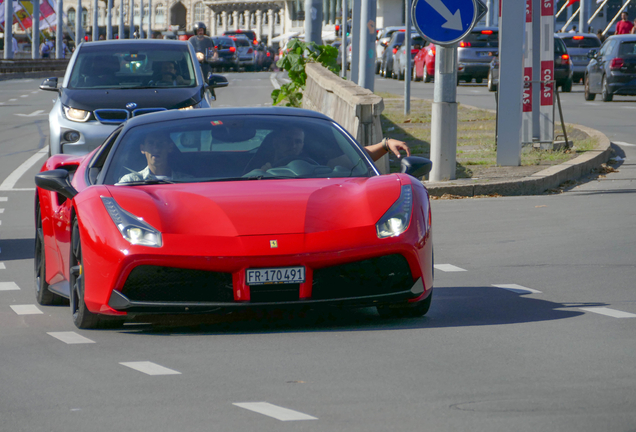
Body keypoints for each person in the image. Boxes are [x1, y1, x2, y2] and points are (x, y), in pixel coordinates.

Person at [259, 127, 410, 171]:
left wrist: (385, 145)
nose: (293, 145)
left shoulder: (320, 165)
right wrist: (261, 172)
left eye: (297, 141)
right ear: (275, 142)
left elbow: (357, 158)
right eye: (287, 140)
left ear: (303, 145)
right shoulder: (258, 167)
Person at [119, 132, 190, 183]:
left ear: (170, 147)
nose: (156, 148)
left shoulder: (187, 181)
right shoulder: (129, 181)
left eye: (161, 143)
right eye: (151, 143)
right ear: (142, 149)